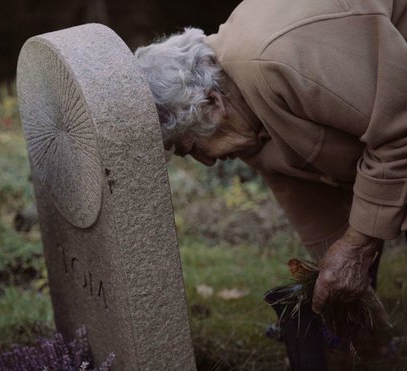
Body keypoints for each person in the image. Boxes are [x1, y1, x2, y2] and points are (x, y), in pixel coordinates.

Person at [136, 0, 405, 356]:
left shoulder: (278, 62)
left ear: (213, 104)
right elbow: (308, 203)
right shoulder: (242, 113)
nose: (208, 163)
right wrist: (355, 301)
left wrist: (357, 247)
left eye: (193, 148)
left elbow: (399, 130)